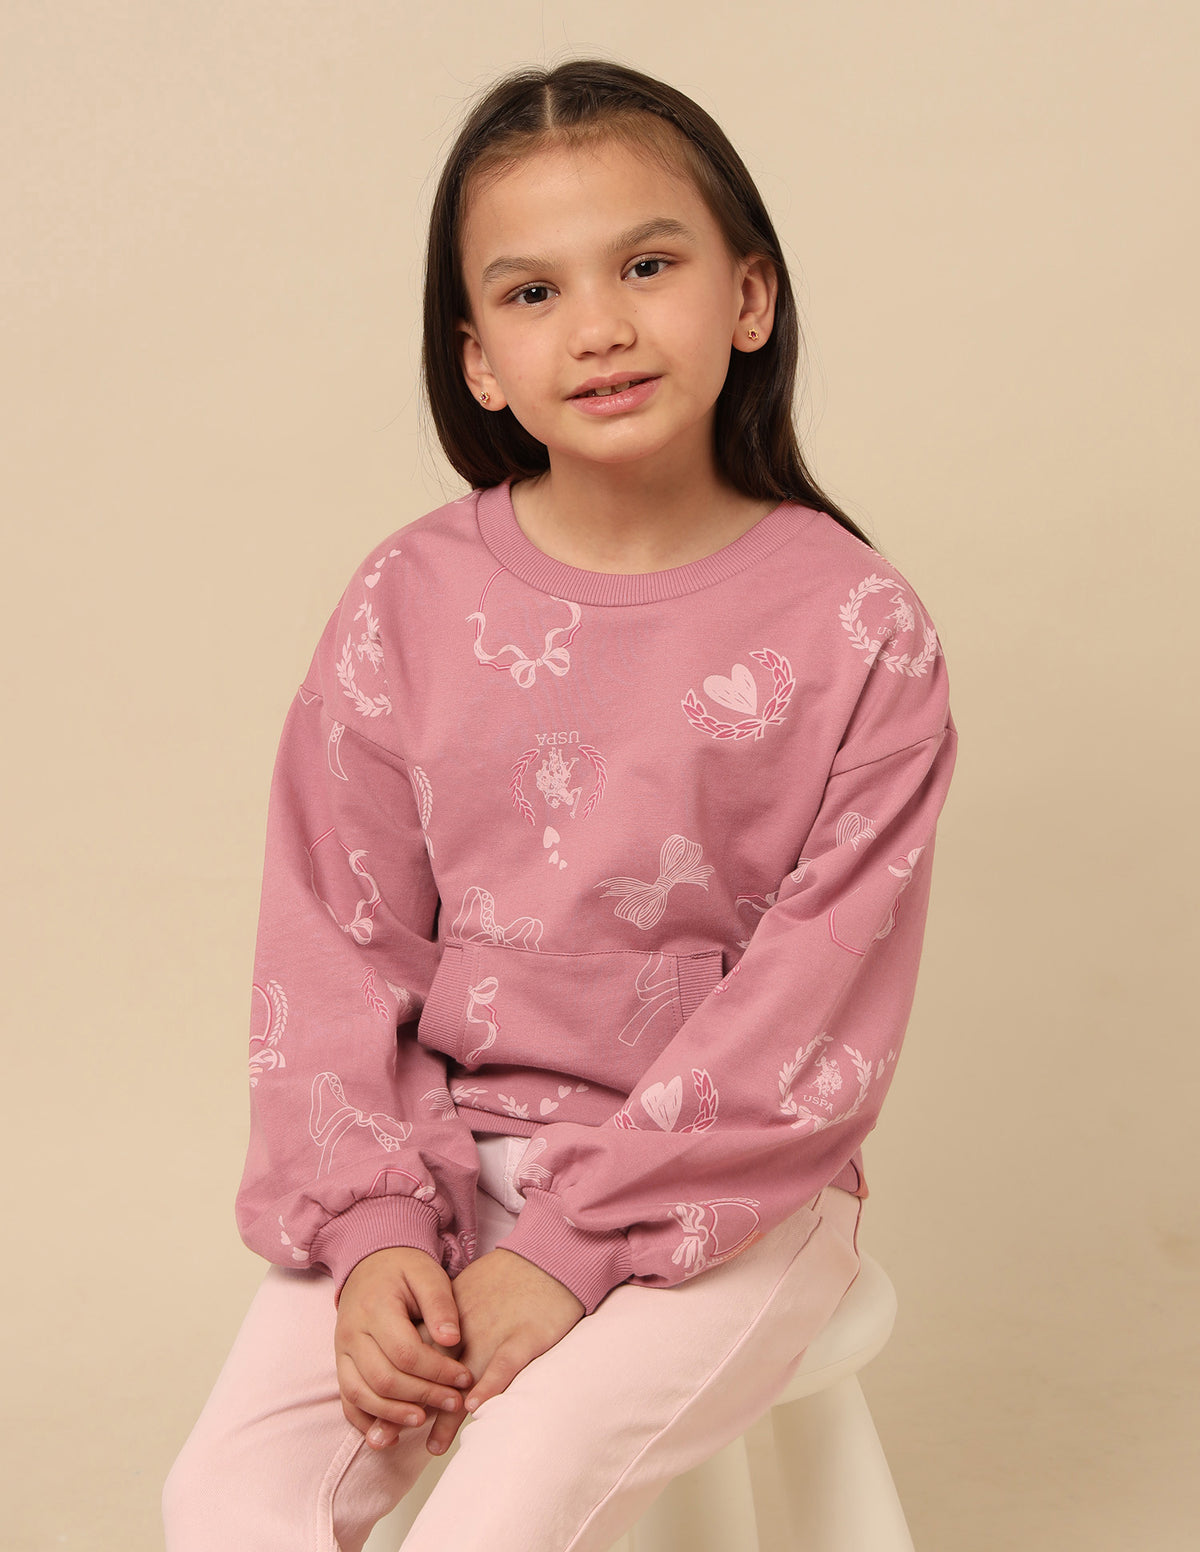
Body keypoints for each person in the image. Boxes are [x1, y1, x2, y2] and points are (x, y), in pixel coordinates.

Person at [163, 57, 957, 1552]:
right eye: (533, 294)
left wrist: (570, 1251)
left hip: (729, 1195)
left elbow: (811, 1006)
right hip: (440, 1158)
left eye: (647, 266)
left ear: (749, 296)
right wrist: (377, 1230)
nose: (598, 327)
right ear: (479, 362)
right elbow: (331, 950)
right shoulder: (409, 600)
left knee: (505, 1507)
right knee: (226, 1501)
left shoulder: (858, 627)